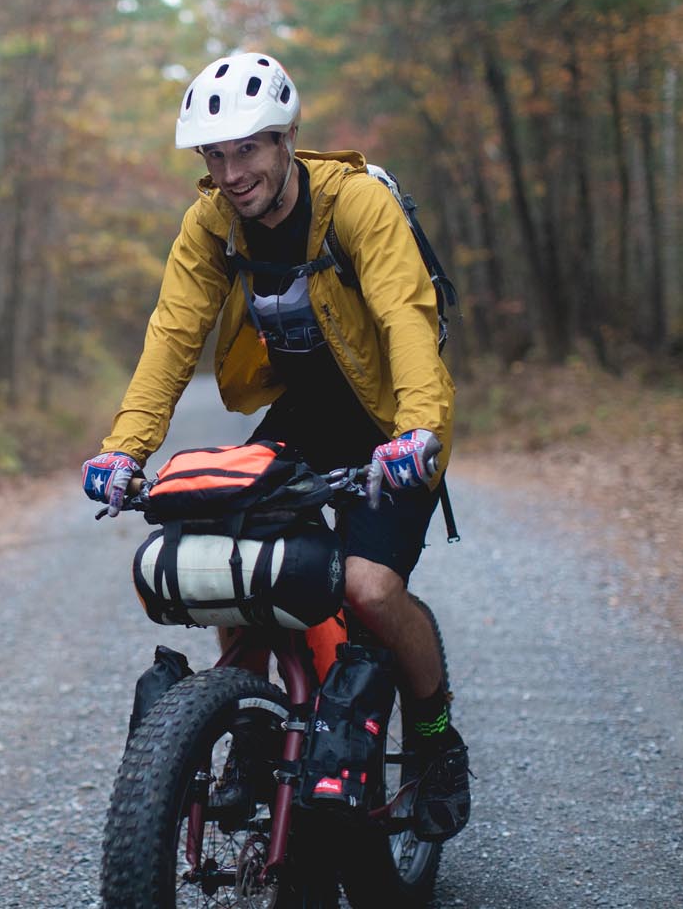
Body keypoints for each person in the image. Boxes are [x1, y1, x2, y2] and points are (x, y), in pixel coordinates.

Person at [82, 51, 470, 842]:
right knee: (228, 550)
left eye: (247, 149)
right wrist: (125, 449)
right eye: (214, 156)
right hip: (308, 411)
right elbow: (172, 336)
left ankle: (437, 741)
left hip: (395, 411)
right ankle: (253, 732)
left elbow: (404, 312)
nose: (231, 173)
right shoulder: (210, 224)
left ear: (287, 137)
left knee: (367, 589)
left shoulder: (355, 203)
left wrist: (417, 431)